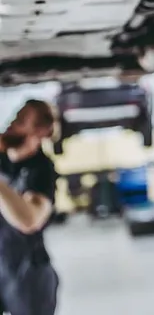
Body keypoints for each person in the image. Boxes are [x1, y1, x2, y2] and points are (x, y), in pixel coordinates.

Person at [0, 100, 58, 315]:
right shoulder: (2, 160)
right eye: (15, 118)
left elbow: (29, 220)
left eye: (22, 121)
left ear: (41, 131)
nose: (12, 124)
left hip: (28, 271)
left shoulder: (41, 170)